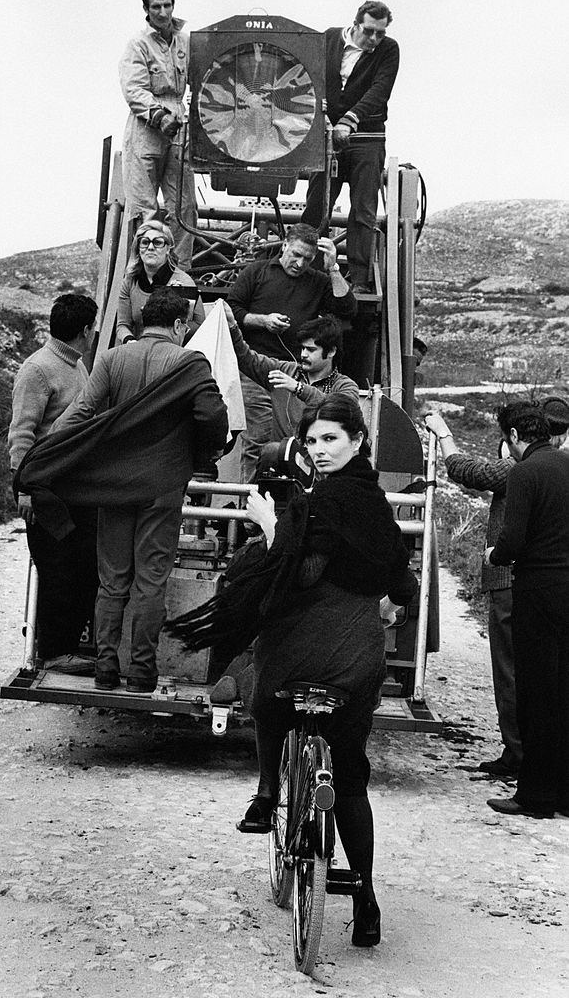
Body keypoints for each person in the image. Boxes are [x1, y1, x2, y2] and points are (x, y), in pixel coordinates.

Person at [168, 396, 417, 945]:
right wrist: (384, 606)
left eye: (330, 439)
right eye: (312, 441)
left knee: (264, 693)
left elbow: (297, 572)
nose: (319, 450)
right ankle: (366, 901)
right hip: (356, 660)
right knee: (349, 778)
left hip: (299, 654)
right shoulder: (377, 507)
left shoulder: (319, 502)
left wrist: (267, 524)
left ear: (357, 441)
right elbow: (403, 584)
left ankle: (265, 795)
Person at [51, 288, 228, 694]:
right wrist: (208, 451)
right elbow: (212, 415)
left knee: (112, 582)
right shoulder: (189, 362)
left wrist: (47, 454)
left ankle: (105, 669)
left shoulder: (112, 358)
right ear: (179, 325)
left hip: (115, 487)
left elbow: (81, 411)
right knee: (151, 582)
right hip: (163, 488)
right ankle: (142, 673)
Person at [485, 402, 569, 818]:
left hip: (537, 590)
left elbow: (513, 540)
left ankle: (535, 795)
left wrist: (494, 555)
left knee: (535, 693)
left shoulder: (524, 472)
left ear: (515, 436)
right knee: (564, 691)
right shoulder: (566, 465)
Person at [425, 410, 521, 778]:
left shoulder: (517, 468)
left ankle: (517, 753)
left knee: (509, 671)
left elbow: (467, 471)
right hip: (539, 585)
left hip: (508, 580)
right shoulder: (554, 466)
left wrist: (443, 433)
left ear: (515, 436)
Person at [8, 293, 99, 675]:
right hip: (44, 489)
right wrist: (25, 490)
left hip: (72, 489)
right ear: (85, 330)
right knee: (57, 570)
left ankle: (68, 647)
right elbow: (21, 434)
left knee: (82, 567)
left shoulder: (76, 365)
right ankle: (55, 652)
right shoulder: (38, 369)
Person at [227, 223, 357, 481]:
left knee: (297, 443)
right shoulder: (257, 271)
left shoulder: (318, 281)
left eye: (307, 259)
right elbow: (233, 309)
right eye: (296, 255)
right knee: (258, 440)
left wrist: (333, 267)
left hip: (295, 371)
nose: (300, 263)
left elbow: (348, 309)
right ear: (284, 245)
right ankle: (248, 500)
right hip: (258, 371)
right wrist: (263, 320)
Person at [302, 1, 399, 289]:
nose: (374, 39)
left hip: (367, 138)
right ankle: (309, 274)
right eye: (369, 31)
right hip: (327, 137)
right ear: (355, 24)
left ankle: (359, 281)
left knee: (363, 211)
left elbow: (379, 91)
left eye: (380, 33)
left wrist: (350, 119)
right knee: (317, 206)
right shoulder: (329, 38)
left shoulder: (389, 49)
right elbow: (310, 77)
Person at [225, 310, 360, 476]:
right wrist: (232, 326)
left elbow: (340, 409)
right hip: (280, 463)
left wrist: (299, 388)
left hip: (323, 469)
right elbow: (247, 359)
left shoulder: (345, 385)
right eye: (302, 348)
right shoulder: (286, 370)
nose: (303, 354)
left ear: (331, 351)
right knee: (272, 451)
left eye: (311, 350)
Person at [120, 0, 197, 268]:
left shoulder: (186, 42)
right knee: (145, 208)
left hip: (180, 126)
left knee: (184, 206)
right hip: (146, 130)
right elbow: (133, 90)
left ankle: (180, 272)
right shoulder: (138, 44)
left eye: (167, 5)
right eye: (156, 7)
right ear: (146, 9)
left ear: (173, 5)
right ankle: (143, 274)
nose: (163, 12)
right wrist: (158, 116)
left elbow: (202, 79)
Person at [115, 220, 204, 344]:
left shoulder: (183, 282)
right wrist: (129, 340)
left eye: (157, 243)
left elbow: (197, 326)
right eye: (145, 242)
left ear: (168, 249)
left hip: (173, 350)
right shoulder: (130, 281)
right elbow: (122, 325)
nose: (150, 247)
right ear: (138, 248)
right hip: (138, 347)